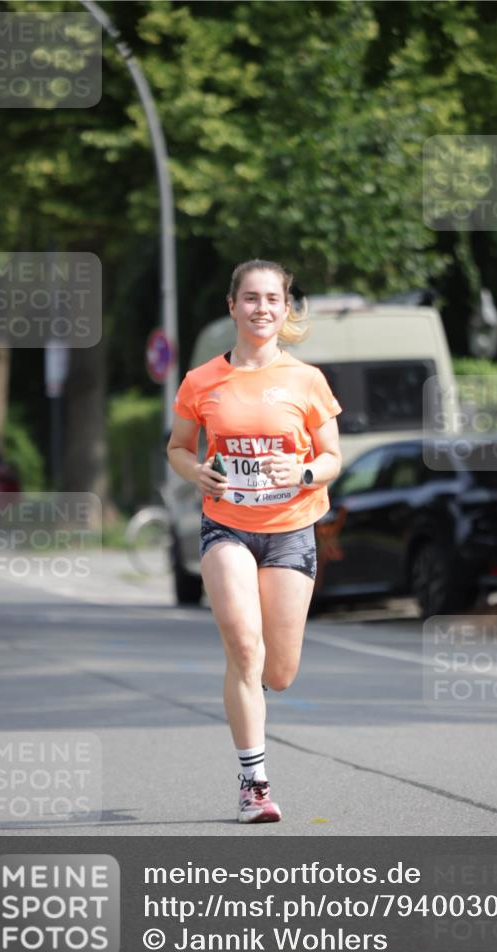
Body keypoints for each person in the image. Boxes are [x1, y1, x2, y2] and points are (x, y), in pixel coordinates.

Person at [166, 259, 342, 823]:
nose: (261, 307)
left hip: (291, 530)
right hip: (227, 526)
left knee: (278, 672)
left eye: (272, 298)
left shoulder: (307, 380)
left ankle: (258, 693)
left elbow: (332, 456)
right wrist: (198, 474)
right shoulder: (201, 381)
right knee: (244, 646)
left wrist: (305, 474)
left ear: (285, 309)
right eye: (250, 298)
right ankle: (254, 785)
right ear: (232, 306)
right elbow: (178, 449)